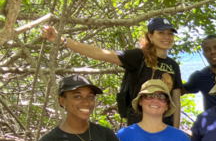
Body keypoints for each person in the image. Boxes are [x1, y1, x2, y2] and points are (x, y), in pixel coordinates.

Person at [42, 18, 183, 127]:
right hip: (139, 125)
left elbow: (176, 100)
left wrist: (176, 133)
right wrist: (61, 40)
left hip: (165, 125)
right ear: (150, 36)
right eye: (161, 33)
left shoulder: (173, 65)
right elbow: (100, 53)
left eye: (170, 33)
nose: (166, 37)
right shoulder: (138, 56)